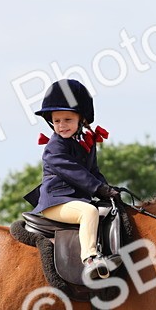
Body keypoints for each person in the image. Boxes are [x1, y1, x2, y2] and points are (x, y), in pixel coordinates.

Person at [27, 79, 121, 280]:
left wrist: (109, 190)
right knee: (89, 212)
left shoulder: (86, 142)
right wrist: (99, 189)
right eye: (57, 120)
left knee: (111, 210)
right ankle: (90, 260)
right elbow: (76, 174)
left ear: (82, 120)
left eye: (67, 120)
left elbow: (93, 171)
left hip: (74, 199)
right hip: (56, 202)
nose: (61, 125)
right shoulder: (54, 148)